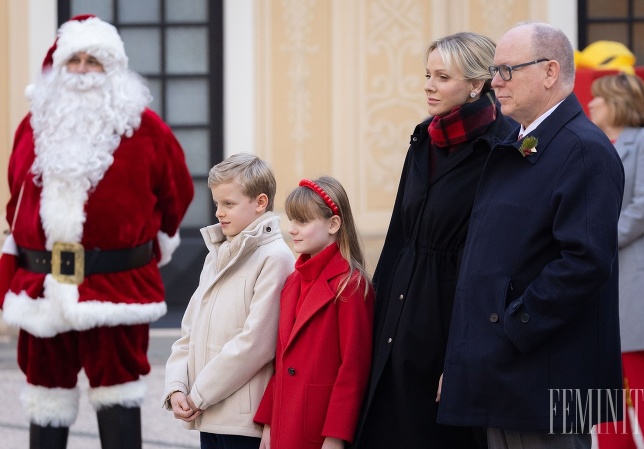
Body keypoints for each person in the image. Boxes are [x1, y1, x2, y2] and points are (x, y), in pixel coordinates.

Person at [0, 15, 194, 449]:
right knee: (45, 399)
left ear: (114, 71)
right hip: (43, 287)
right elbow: (16, 196)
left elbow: (176, 193)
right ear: (59, 66)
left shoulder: (147, 130)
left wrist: (152, 240)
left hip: (116, 287)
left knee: (118, 396)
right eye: (75, 60)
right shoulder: (33, 127)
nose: (84, 70)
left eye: (95, 61)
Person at [437, 22, 625, 449]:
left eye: (507, 70)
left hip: (546, 378)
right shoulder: (524, 141)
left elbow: (584, 261)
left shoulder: (583, 148)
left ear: (550, 71)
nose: (495, 82)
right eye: (493, 70)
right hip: (510, 373)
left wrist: (513, 327)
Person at [352, 32, 514, 449]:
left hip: (450, 319)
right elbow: (398, 237)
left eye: (442, 77)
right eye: (428, 74)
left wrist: (465, 353)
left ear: (476, 85)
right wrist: (373, 313)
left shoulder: (504, 146)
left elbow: (495, 261)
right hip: (400, 314)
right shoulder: (423, 138)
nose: (428, 85)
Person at [162, 153, 296, 449]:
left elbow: (255, 344)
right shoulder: (216, 255)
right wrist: (176, 387)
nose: (219, 213)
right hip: (207, 413)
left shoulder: (276, 258)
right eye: (217, 204)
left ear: (260, 203)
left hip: (241, 423)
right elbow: (189, 331)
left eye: (229, 204)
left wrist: (198, 394)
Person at [253, 176, 374, 449]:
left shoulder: (351, 286)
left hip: (318, 429)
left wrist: (335, 436)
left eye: (303, 222)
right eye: (292, 220)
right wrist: (269, 425)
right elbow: (282, 363)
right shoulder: (293, 281)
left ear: (333, 224)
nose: (293, 230)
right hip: (285, 422)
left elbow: (353, 370)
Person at [588, 73, 644, 448]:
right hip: (595, 276)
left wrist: (590, 241)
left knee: (641, 377)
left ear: (619, 103)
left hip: (634, 276)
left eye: (599, 99)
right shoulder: (591, 144)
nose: (590, 104)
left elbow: (643, 209)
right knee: (599, 379)